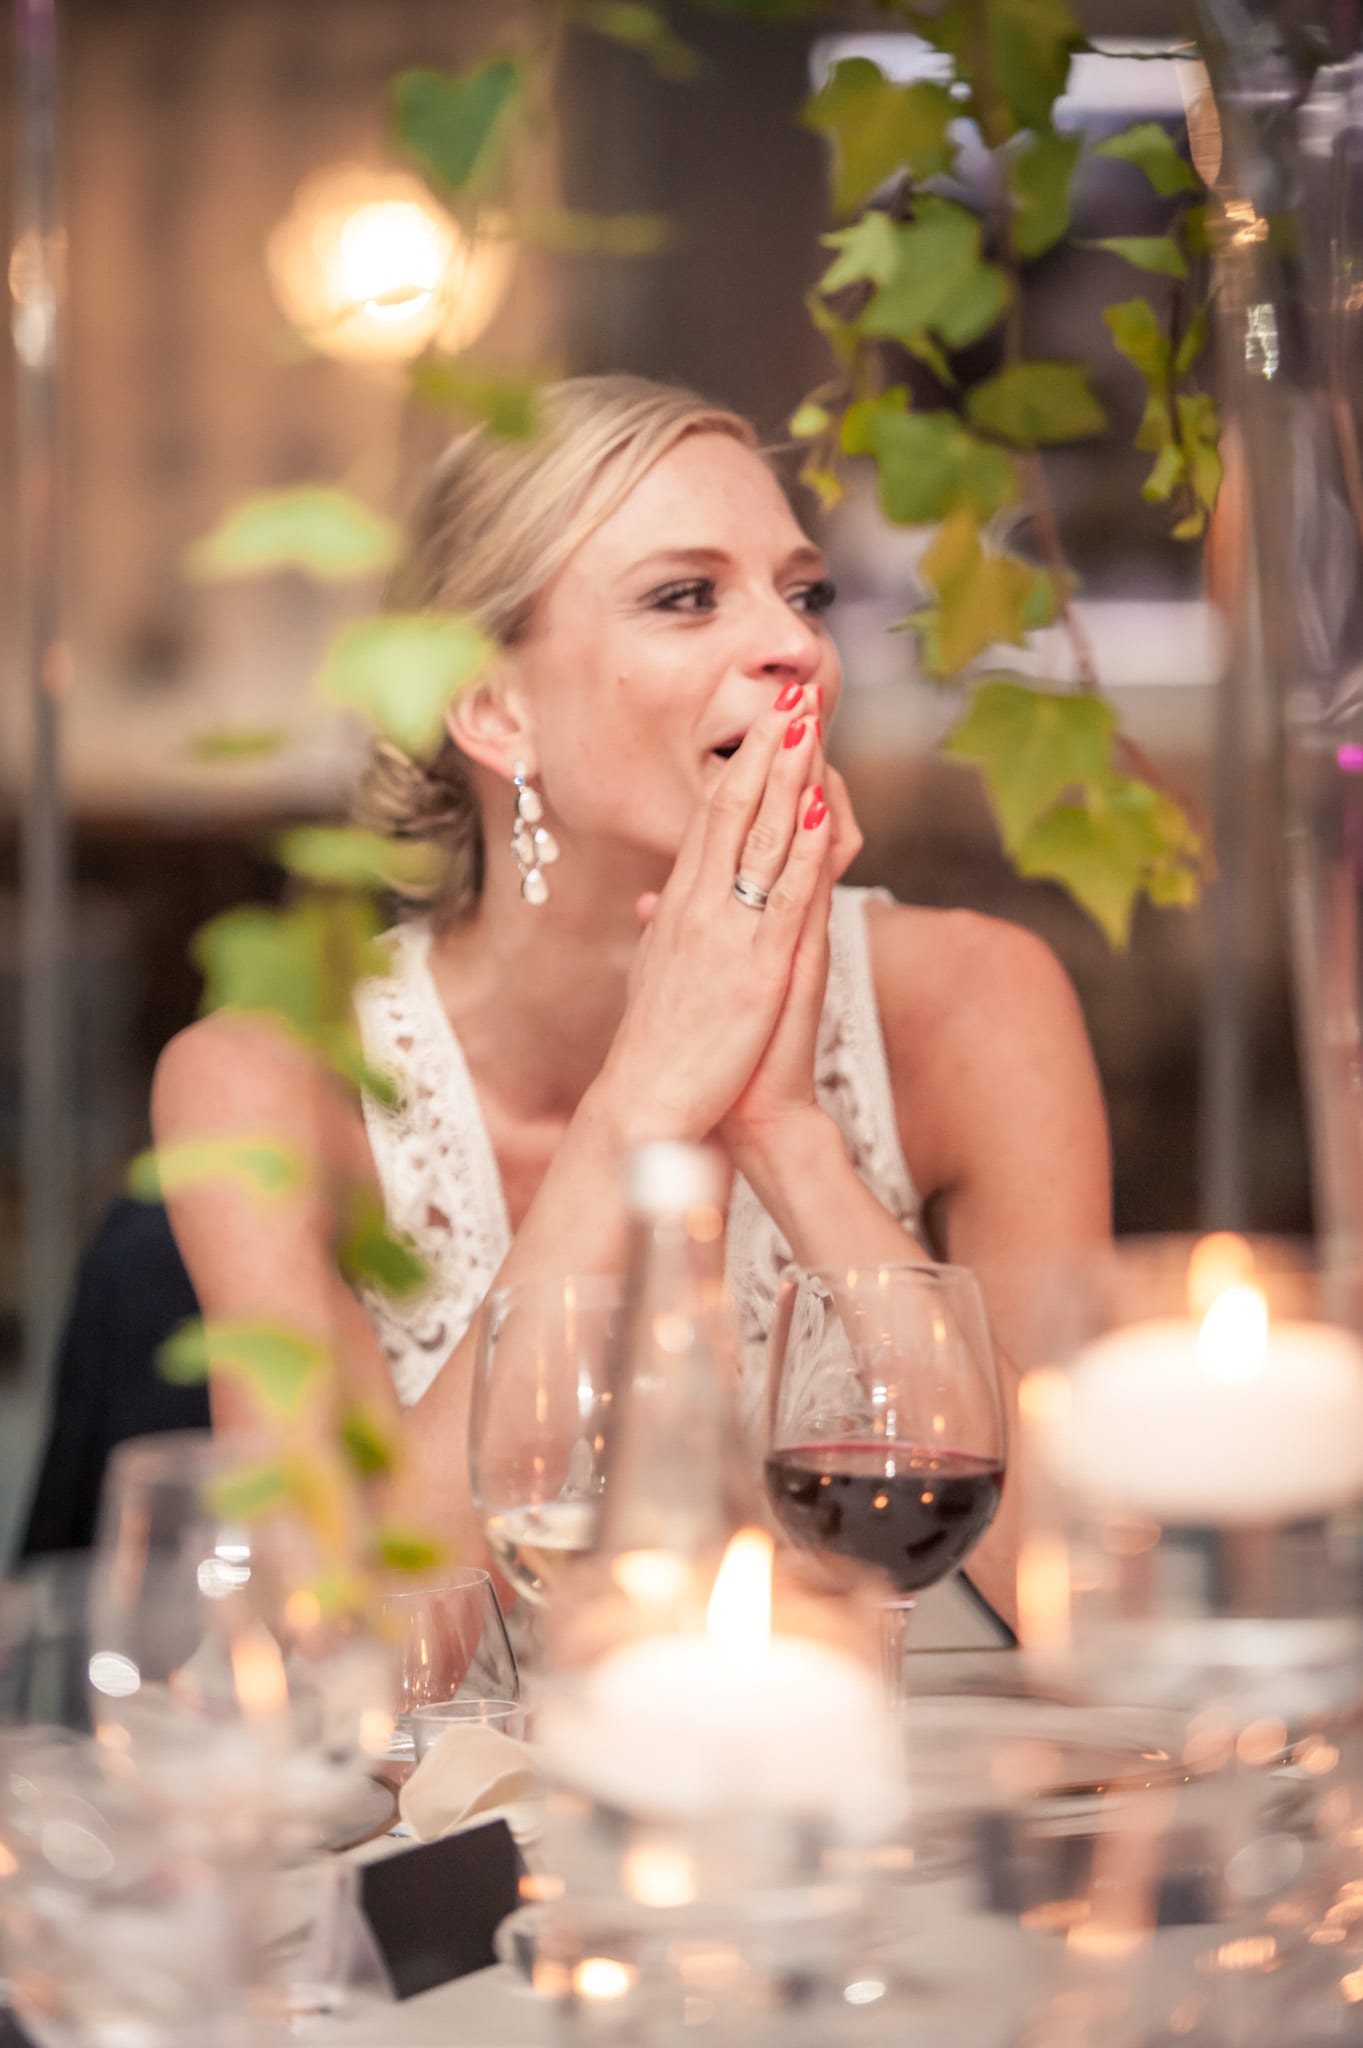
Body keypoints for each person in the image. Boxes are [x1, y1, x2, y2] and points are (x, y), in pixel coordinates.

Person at [153, 375, 1110, 1643]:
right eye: (686, 595)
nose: (795, 647)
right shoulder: (266, 1081)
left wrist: (784, 1131)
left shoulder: (979, 1001)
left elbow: (1091, 1592)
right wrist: (638, 1109)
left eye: (803, 593)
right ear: (493, 707)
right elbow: (332, 1651)